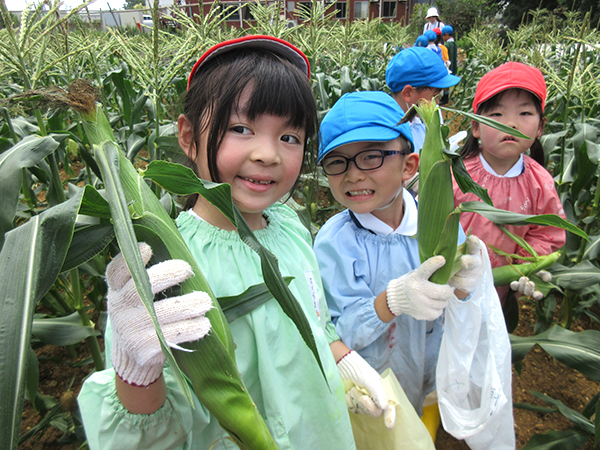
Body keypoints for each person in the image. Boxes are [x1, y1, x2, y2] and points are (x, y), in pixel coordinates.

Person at [77, 35, 394, 450]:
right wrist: (136, 373)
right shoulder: (167, 265)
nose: (268, 154)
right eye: (241, 128)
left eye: (290, 137)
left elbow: (315, 321)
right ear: (189, 137)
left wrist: (345, 362)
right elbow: (153, 435)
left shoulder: (290, 227)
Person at [313, 91, 484, 440]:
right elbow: (335, 332)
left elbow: (457, 312)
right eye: (336, 161)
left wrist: (465, 286)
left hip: (429, 373)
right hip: (369, 387)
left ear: (408, 165)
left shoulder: (439, 224)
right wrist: (390, 302)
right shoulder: (333, 243)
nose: (353, 175)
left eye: (371, 157)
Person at [452, 61, 566, 305]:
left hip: (497, 294)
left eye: (525, 113)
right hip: (446, 289)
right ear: (475, 127)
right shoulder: (454, 173)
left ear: (540, 128)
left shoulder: (540, 182)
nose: (510, 124)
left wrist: (526, 266)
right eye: (496, 114)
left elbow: (546, 234)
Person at [385, 46, 461, 154]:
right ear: (408, 93)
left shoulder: (432, 114)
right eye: (435, 95)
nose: (438, 102)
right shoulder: (389, 138)